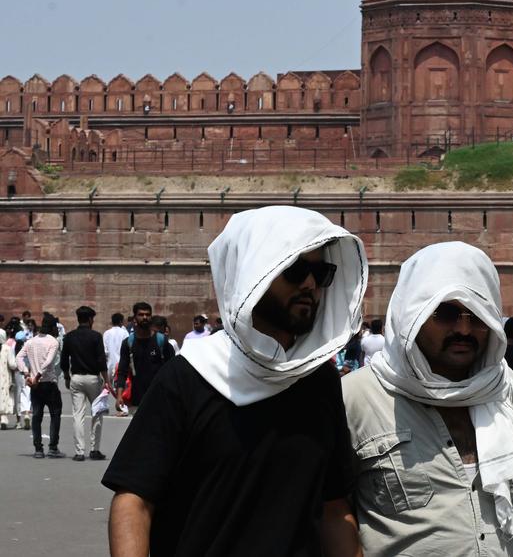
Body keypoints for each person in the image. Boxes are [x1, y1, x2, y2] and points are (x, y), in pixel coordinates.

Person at [102, 205, 368, 557]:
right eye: (295, 269)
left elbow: (334, 508)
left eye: (321, 273)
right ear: (253, 272)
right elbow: (134, 502)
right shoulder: (190, 376)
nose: (309, 285)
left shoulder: (319, 380)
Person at [341, 242, 513, 556]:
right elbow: (333, 512)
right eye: (445, 314)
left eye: (477, 315)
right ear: (411, 317)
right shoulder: (357, 397)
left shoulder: (506, 389)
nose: (464, 328)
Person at [60, 305, 109, 461]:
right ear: (90, 319)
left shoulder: (69, 337)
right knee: (97, 413)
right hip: (93, 378)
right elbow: (101, 360)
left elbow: (63, 360)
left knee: (78, 415)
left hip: (76, 378)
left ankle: (79, 452)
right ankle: (95, 450)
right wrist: (107, 380)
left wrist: (67, 377)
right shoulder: (96, 336)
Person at [17, 314, 65, 458]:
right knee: (55, 415)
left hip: (35, 385)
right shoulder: (53, 342)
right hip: (49, 383)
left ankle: (38, 448)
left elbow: (19, 357)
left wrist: (27, 374)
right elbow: (49, 362)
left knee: (37, 416)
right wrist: (37, 376)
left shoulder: (31, 341)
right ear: (52, 328)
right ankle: (53, 447)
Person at [114, 305, 174, 417]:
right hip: (137, 398)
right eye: (141, 314)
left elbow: (172, 370)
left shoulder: (161, 341)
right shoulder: (128, 343)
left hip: (159, 398)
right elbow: (122, 371)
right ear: (135, 318)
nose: (145, 317)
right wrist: (119, 396)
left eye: (147, 314)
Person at [1, 325, 18, 429]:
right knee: (4, 395)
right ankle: (3, 417)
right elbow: (12, 364)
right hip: (4, 376)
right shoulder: (7, 349)